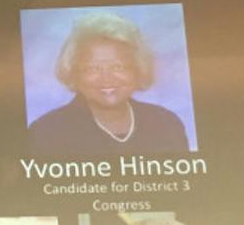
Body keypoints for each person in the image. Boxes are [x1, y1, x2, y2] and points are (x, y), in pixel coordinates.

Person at [27, 12, 188, 156]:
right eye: (92, 68)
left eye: (118, 67)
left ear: (138, 68)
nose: (106, 78)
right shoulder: (45, 133)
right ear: (73, 72)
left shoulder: (166, 124)